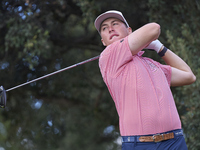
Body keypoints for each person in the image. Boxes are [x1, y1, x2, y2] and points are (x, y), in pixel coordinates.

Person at [94, 10, 196, 150]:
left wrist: (159, 48)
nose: (110, 29)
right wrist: (144, 40)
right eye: (104, 28)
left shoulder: (151, 63)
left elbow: (189, 76)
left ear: (129, 31)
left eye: (115, 24)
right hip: (140, 145)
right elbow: (154, 28)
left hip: (175, 141)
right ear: (103, 41)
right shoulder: (108, 56)